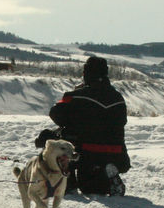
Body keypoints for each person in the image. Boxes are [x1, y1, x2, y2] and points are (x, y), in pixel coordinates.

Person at [49, 56, 130, 196]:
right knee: (90, 186)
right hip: (117, 153)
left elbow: (55, 114)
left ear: (86, 74)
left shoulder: (77, 96)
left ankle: (67, 181)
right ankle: (108, 176)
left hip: (86, 152)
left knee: (52, 137)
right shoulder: (118, 98)